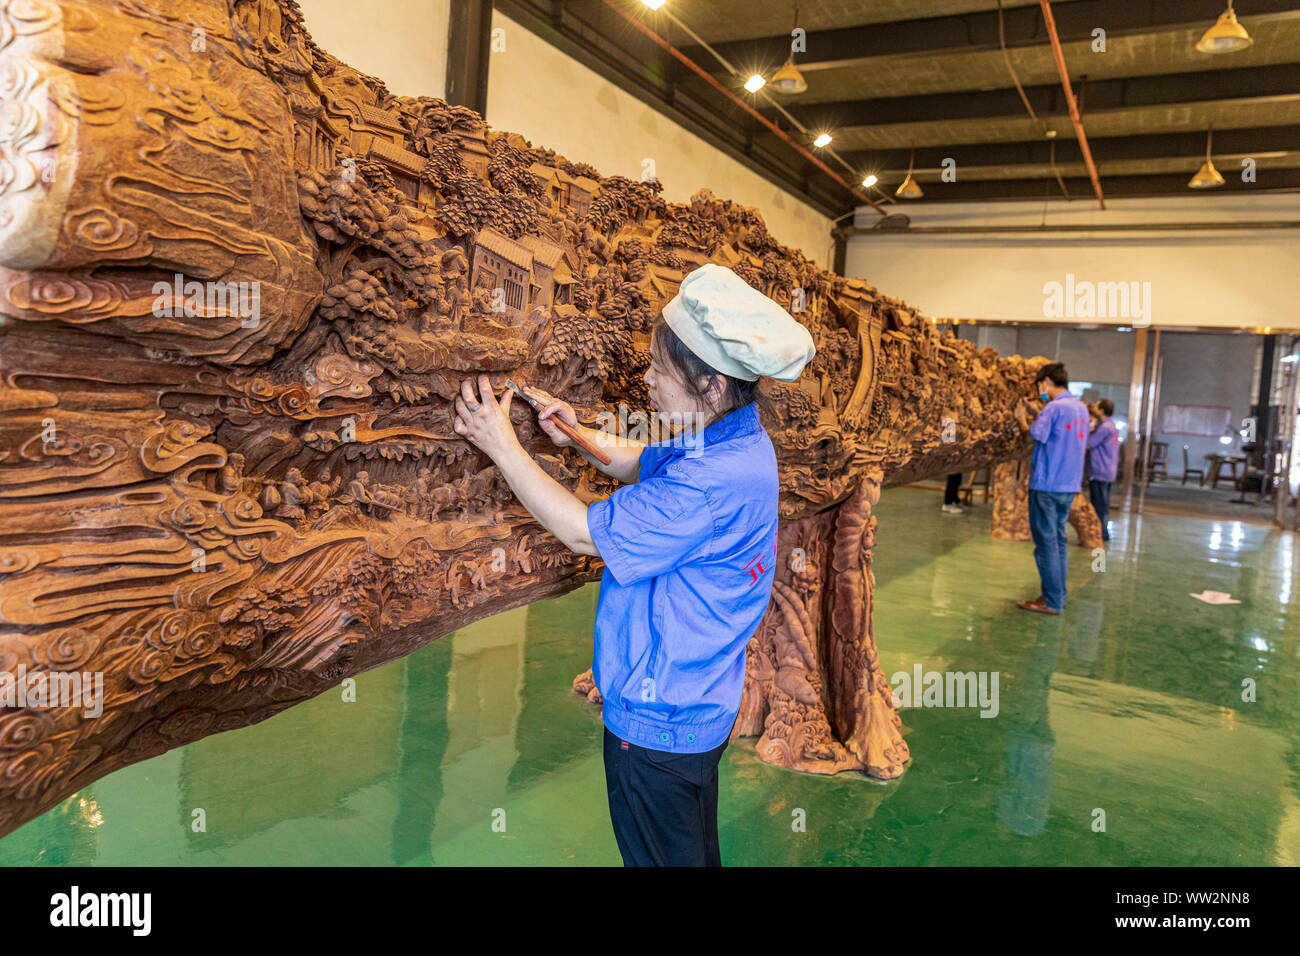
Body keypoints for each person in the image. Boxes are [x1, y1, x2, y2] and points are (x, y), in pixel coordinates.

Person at [449, 263, 815, 865]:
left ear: (712, 385)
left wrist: (500, 443)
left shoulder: (708, 483)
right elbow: (646, 460)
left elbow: (580, 533)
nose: (647, 379)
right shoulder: (737, 438)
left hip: (657, 726)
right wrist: (578, 435)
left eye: (660, 370)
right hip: (698, 705)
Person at [1012, 362, 1088, 615]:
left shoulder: (1053, 408)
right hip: (1069, 485)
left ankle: (1051, 601)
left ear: (1046, 382)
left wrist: (1021, 418)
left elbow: (1034, 435)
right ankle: (1057, 596)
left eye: (1040, 386)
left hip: (1047, 485)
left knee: (1046, 545)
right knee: (1058, 542)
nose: (1040, 391)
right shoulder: (1081, 408)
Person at [1086, 399, 1119, 542]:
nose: (1093, 407)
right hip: (1107, 470)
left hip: (1100, 471)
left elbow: (1089, 444)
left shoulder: (1105, 427)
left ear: (1101, 410)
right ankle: (1101, 532)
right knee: (1103, 504)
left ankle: (1100, 533)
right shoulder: (1110, 425)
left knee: (1099, 504)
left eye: (1096, 406)